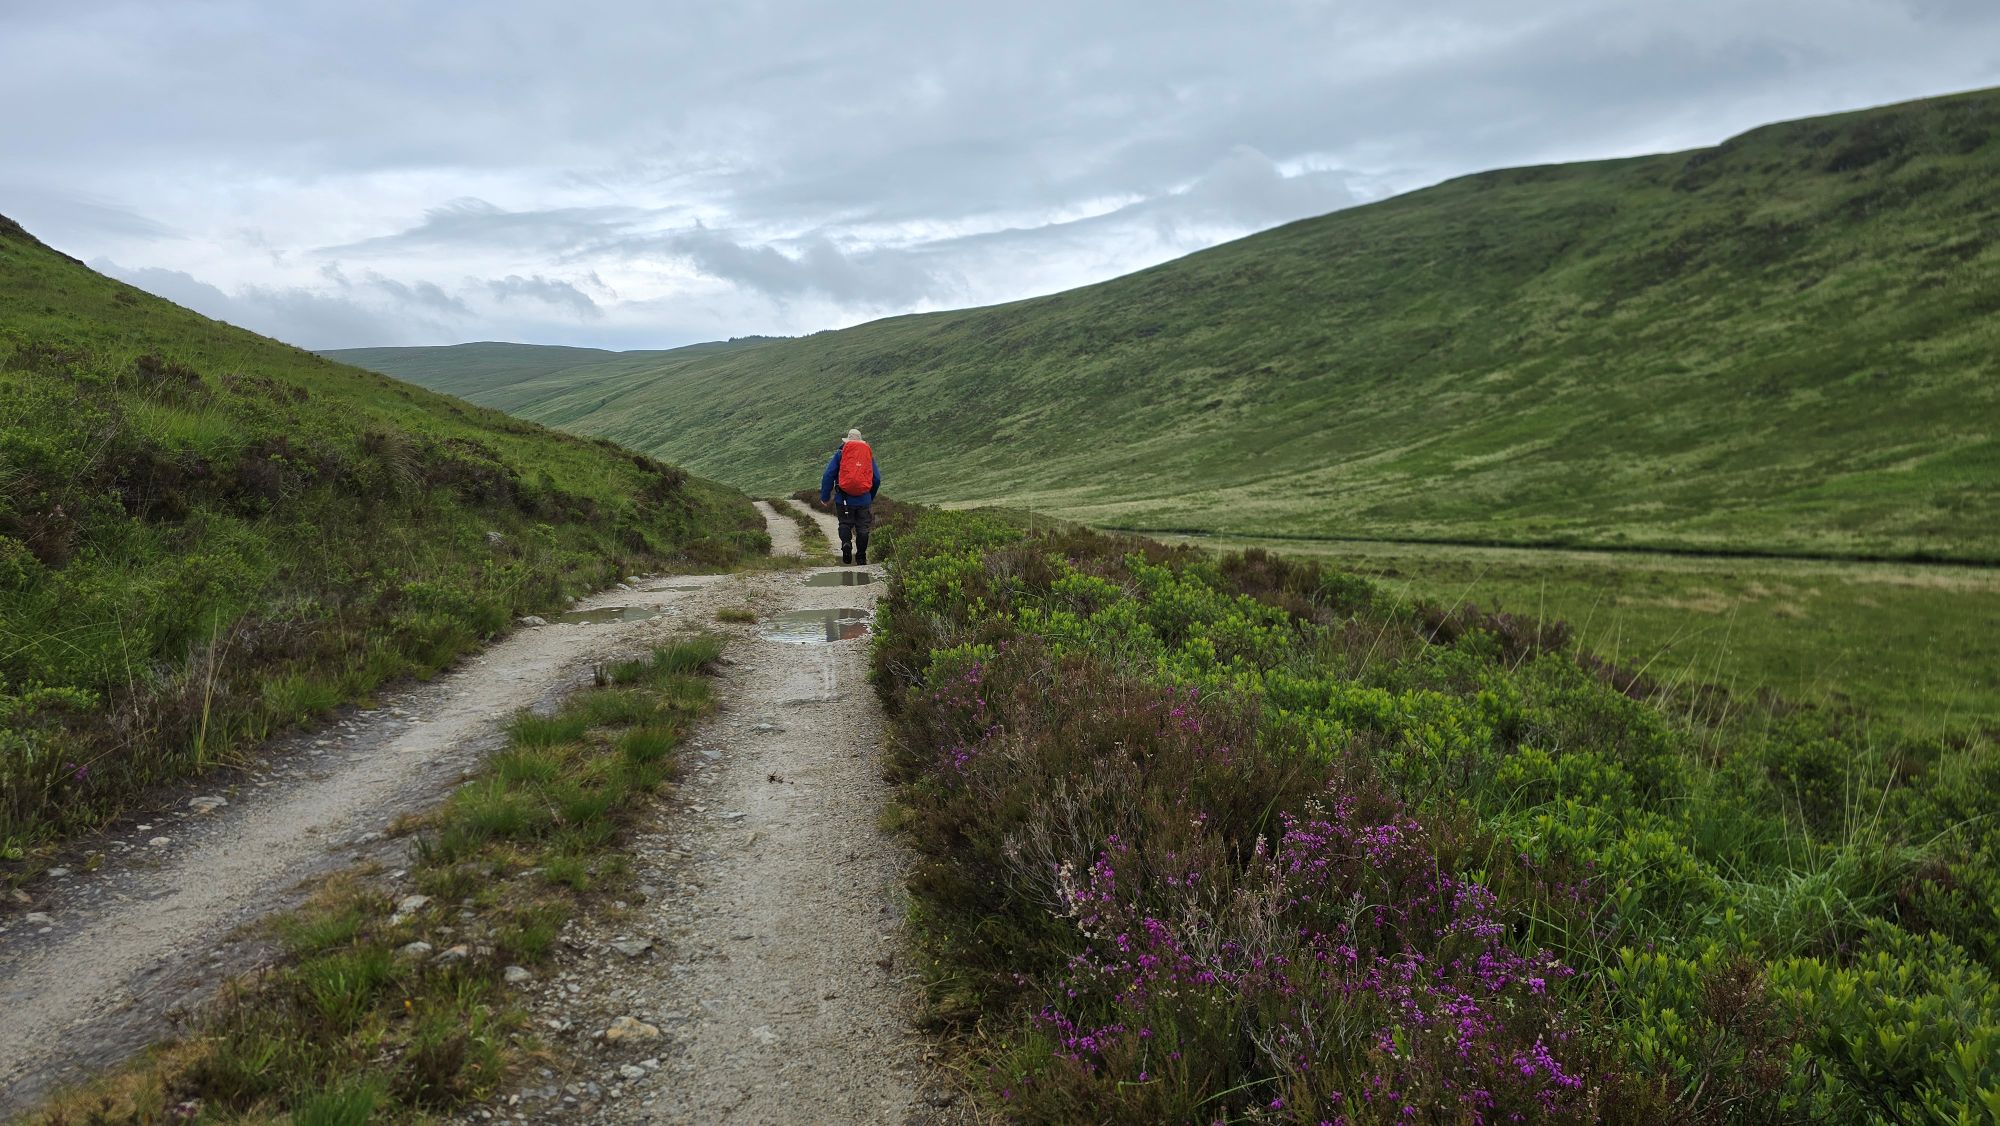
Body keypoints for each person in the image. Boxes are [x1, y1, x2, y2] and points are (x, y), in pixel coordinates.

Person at [820, 428, 881, 565]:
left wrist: (825, 497)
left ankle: (846, 544)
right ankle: (861, 557)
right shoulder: (867, 455)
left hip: (843, 498)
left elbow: (828, 475)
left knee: (845, 524)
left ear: (847, 440)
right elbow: (876, 478)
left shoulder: (841, 454)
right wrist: (869, 497)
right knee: (863, 528)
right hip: (863, 499)